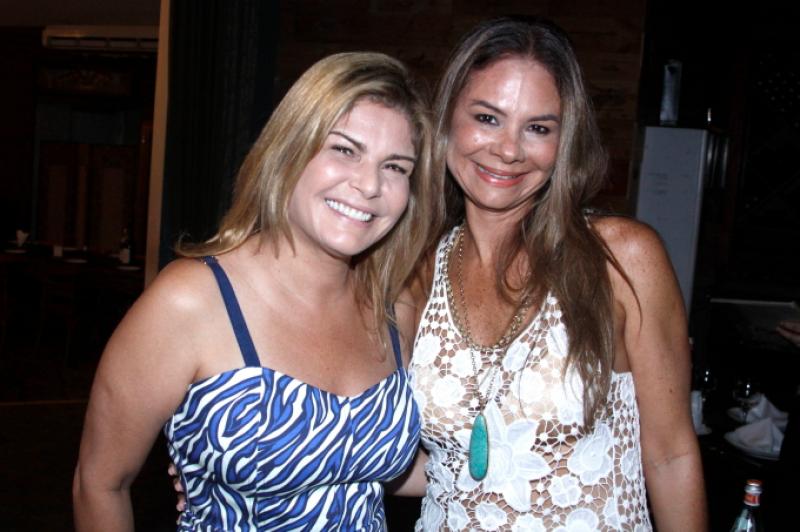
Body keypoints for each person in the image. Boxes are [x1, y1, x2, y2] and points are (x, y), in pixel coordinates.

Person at [72, 51, 440, 531]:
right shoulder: (192, 301)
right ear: (289, 150)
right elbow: (100, 484)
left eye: (395, 167)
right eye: (344, 150)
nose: (369, 184)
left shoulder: (396, 308)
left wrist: (520, 460)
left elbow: (377, 465)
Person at [393, 17, 707, 531]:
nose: (509, 149)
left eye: (538, 128)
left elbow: (671, 455)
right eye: (487, 118)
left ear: (565, 142)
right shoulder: (415, 271)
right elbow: (412, 459)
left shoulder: (621, 259)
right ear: (446, 119)